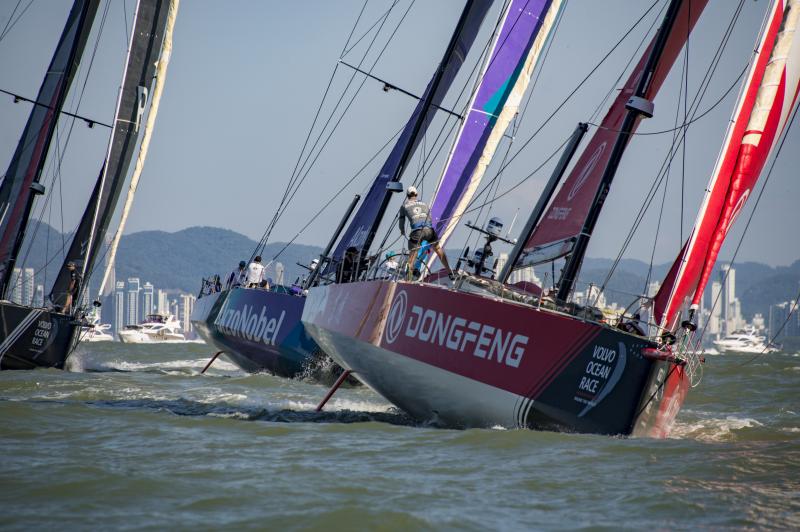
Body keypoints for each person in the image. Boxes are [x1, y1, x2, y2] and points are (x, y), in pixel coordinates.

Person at [398, 185, 453, 280]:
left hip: (417, 232)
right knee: (438, 249)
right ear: (416, 194)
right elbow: (429, 218)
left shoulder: (404, 206)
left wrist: (402, 231)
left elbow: (401, 222)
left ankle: (408, 279)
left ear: (407, 195)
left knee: (413, 255)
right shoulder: (424, 204)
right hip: (429, 230)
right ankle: (450, 272)